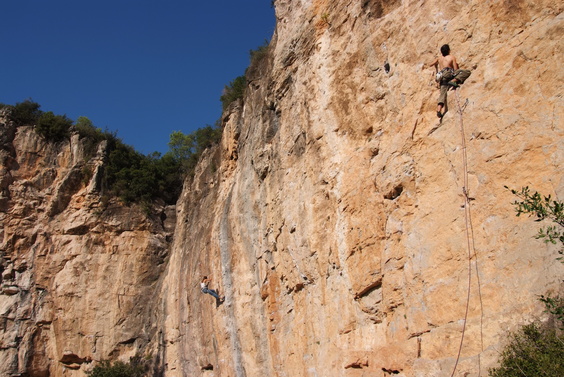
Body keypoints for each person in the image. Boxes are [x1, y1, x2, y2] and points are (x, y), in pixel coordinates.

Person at [428, 44, 471, 118]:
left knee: (442, 93)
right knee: (467, 72)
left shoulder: (439, 58)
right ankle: (454, 80)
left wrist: (436, 64)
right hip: (449, 74)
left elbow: (431, 64)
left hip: (441, 76)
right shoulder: (452, 57)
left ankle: (439, 110)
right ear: (449, 50)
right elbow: (455, 69)